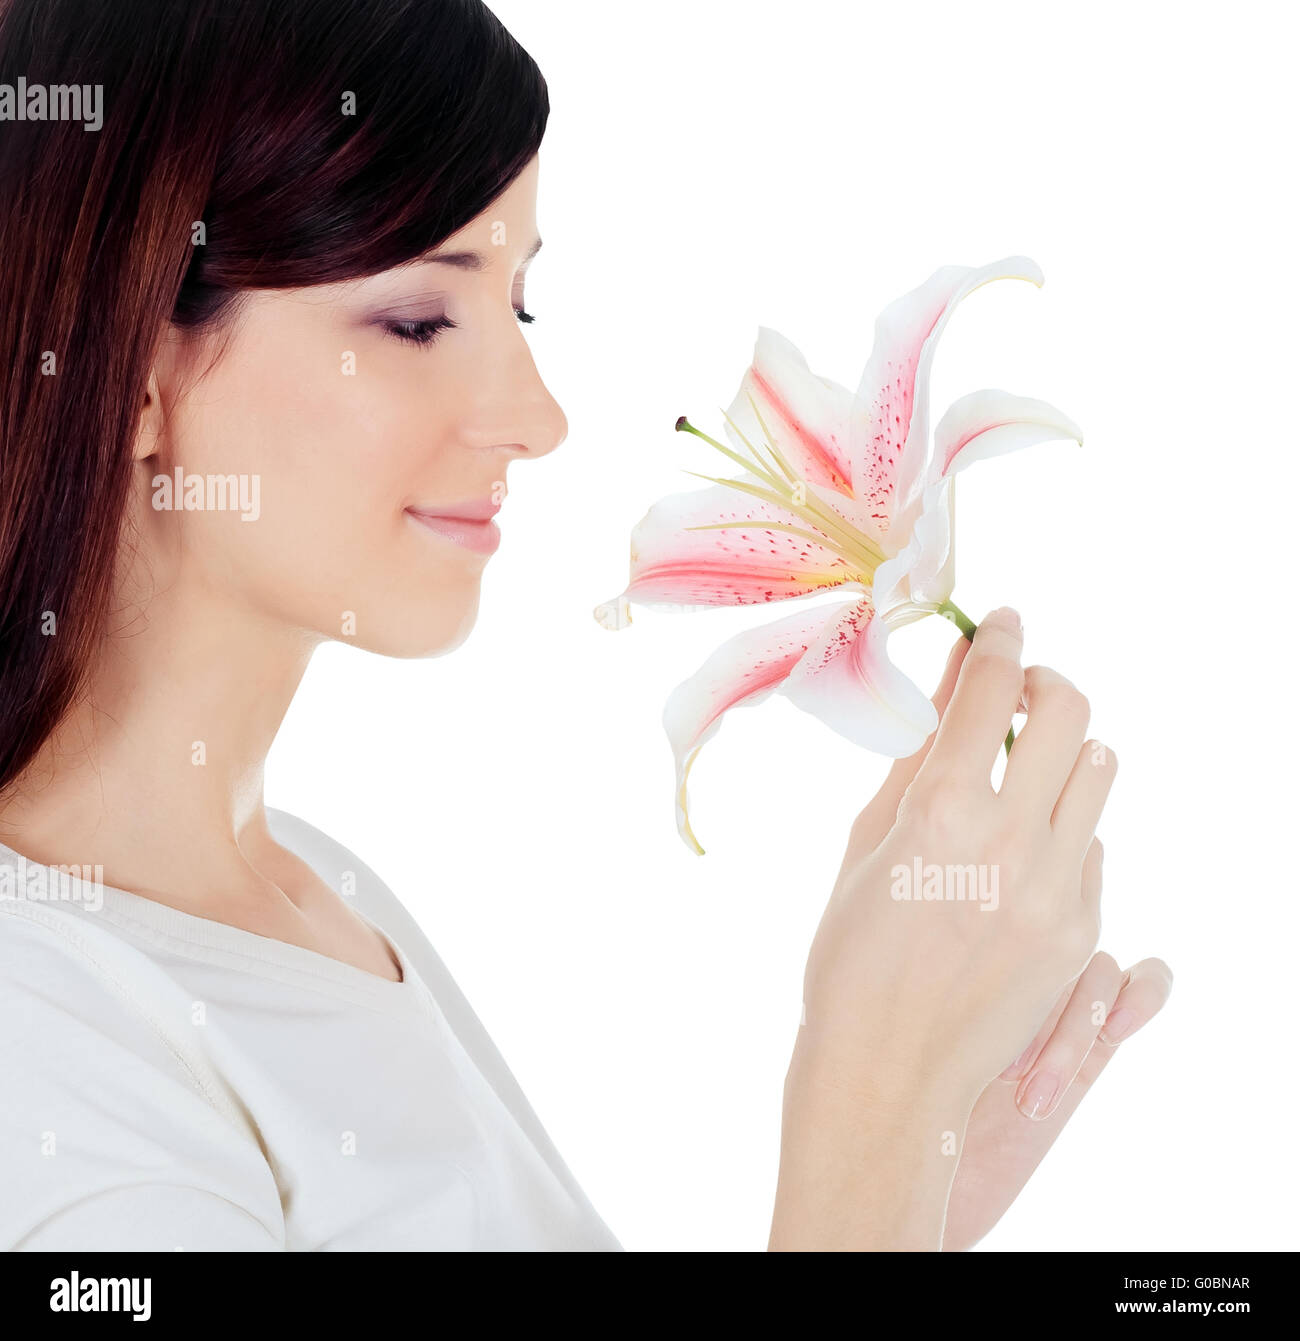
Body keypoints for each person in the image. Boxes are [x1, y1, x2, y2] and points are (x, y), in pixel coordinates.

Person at [0, 0, 1170, 1251]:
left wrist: (920, 1164)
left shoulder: (323, 896)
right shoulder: (43, 1022)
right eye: (417, 320)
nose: (539, 416)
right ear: (127, 372)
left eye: (523, 307)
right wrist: (868, 1098)